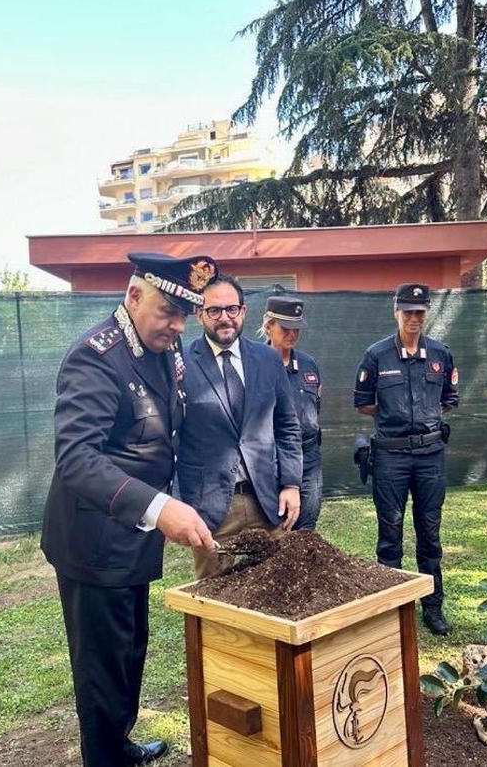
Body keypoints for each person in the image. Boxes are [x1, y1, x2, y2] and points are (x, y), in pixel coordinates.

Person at [41, 252, 220, 766]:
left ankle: (117, 746)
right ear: (134, 295)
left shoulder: (164, 350)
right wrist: (160, 507)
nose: (179, 325)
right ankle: (105, 756)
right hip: (93, 543)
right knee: (102, 671)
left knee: (128, 654)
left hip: (133, 536)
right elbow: (77, 459)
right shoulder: (96, 357)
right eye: (168, 311)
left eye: (186, 314)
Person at [176, 273, 303, 578]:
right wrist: (177, 501)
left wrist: (291, 483)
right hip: (210, 507)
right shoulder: (180, 363)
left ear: (243, 311)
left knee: (276, 589)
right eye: (214, 311)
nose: (225, 318)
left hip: (267, 501)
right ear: (199, 314)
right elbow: (170, 437)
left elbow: (287, 425)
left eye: (232, 309)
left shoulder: (268, 359)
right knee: (215, 600)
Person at [353, 283, 459, 635]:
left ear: (426, 314)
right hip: (391, 457)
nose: (414, 319)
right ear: (395, 312)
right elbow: (365, 403)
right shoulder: (376, 355)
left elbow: (447, 399)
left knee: (430, 533)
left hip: (430, 456)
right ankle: (392, 611)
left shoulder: (441, 354)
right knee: (390, 534)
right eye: (408, 312)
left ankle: (433, 607)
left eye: (420, 313)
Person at [259, 294, 323, 530]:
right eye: (286, 328)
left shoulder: (309, 364)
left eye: (297, 328)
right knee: (273, 531)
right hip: (270, 460)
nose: (292, 334)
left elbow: (315, 407)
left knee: (305, 530)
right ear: (268, 327)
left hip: (308, 458)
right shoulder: (254, 365)